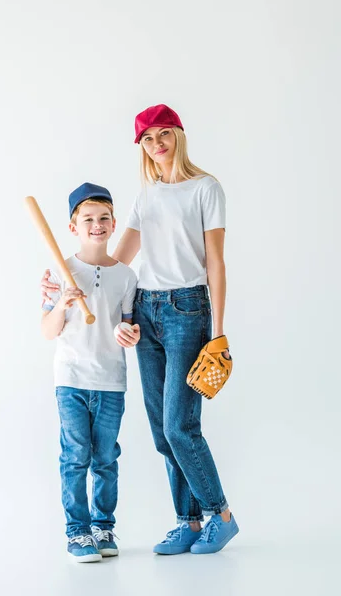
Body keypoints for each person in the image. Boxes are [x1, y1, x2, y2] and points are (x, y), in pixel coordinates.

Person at [41, 104, 239, 555]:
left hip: (188, 308)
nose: (158, 145)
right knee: (159, 429)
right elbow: (114, 260)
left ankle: (221, 515)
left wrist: (219, 331)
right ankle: (187, 523)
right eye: (148, 139)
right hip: (144, 310)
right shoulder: (146, 195)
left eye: (164, 134)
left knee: (179, 425)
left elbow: (216, 264)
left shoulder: (206, 188)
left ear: (179, 135)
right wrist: (61, 280)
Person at [41, 182, 139, 563]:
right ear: (73, 227)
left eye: (103, 219)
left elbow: (129, 326)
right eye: (87, 220)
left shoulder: (126, 276)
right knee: (75, 455)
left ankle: (103, 525)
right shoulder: (59, 270)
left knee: (106, 457)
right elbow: (48, 331)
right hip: (71, 378)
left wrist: (126, 333)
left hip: (112, 380)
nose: (96, 225)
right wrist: (62, 304)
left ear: (113, 224)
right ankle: (77, 532)